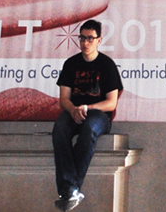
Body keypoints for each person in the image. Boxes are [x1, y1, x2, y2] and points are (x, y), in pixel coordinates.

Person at [52, 20, 123, 211]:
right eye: (82, 38)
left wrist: (87, 107)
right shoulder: (71, 64)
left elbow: (111, 103)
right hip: (74, 112)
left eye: (90, 38)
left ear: (99, 40)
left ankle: (70, 187)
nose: (85, 42)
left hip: (99, 115)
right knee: (60, 128)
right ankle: (70, 189)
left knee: (90, 129)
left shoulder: (107, 65)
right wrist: (73, 110)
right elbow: (64, 99)